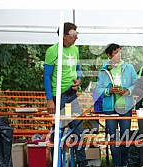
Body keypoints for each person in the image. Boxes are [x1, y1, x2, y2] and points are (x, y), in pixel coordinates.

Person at [43, 22, 87, 167]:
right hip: (59, 96)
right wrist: (50, 99)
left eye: (77, 34)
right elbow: (47, 76)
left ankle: (82, 163)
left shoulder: (75, 49)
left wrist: (78, 79)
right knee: (58, 131)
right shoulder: (52, 51)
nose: (76, 38)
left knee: (78, 130)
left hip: (72, 96)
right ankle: (56, 162)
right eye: (73, 35)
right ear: (64, 36)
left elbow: (78, 67)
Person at [96, 43, 137, 167]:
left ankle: (125, 163)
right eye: (115, 53)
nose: (119, 55)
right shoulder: (104, 70)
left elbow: (136, 83)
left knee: (125, 137)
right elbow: (98, 89)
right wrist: (109, 91)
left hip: (126, 107)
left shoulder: (129, 67)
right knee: (113, 138)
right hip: (110, 108)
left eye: (119, 52)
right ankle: (116, 164)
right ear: (109, 55)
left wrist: (128, 90)